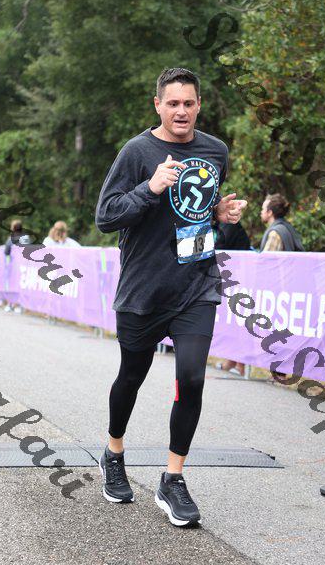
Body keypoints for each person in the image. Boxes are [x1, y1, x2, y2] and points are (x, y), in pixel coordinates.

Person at [95, 67, 247, 527]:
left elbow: (199, 212)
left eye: (189, 103)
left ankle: (173, 478)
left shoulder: (215, 151)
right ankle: (114, 452)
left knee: (192, 377)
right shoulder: (137, 152)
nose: (182, 111)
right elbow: (106, 216)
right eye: (173, 103)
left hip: (196, 284)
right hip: (144, 288)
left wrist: (221, 214)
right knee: (132, 376)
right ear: (158, 105)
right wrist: (150, 187)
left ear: (199, 105)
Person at [260, 194, 304, 382]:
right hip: (292, 287)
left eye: (263, 208)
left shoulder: (275, 233)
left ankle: (279, 372)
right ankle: (280, 372)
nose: (261, 212)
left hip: (279, 290)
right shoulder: (288, 228)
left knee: (276, 331)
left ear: (270, 212)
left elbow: (266, 263)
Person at [214, 222, 251, 376]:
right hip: (231, 279)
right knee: (232, 321)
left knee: (240, 321)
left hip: (240, 279)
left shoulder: (228, 224)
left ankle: (241, 365)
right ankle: (231, 360)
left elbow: (218, 247)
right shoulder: (220, 224)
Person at [3, 219, 32, 312]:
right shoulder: (26, 237)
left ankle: (10, 304)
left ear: (13, 228)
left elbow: (6, 251)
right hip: (24, 266)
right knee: (21, 285)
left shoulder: (11, 238)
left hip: (14, 266)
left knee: (12, 285)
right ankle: (19, 306)